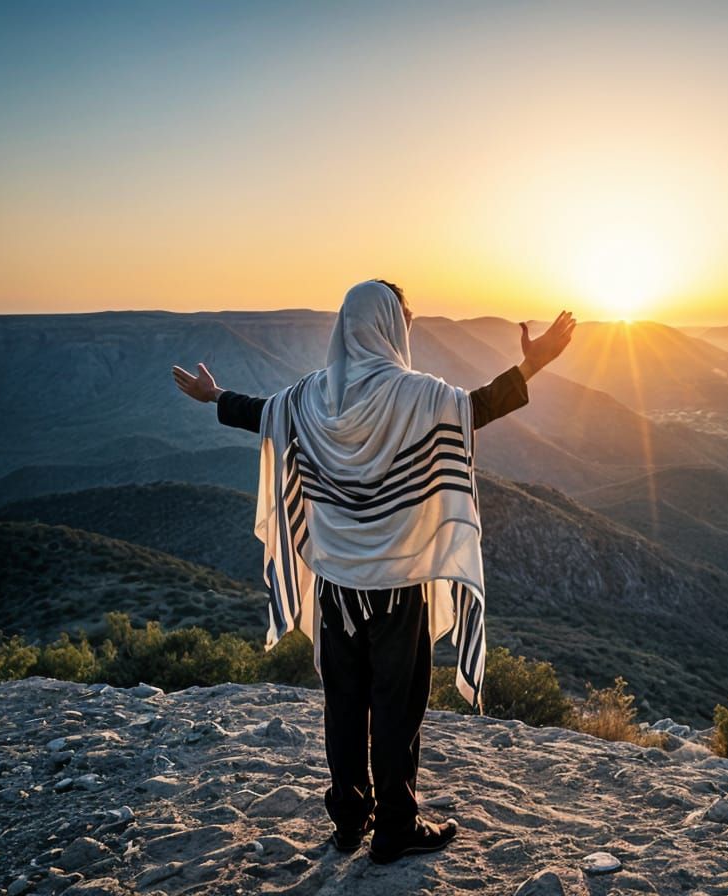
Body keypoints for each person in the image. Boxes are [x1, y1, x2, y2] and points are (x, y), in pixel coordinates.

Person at [172, 279, 575, 863]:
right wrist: (531, 365)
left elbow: (262, 414)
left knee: (343, 703)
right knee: (396, 707)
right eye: (405, 322)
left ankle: (348, 821)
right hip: (396, 587)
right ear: (389, 326)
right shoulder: (418, 395)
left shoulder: (310, 397)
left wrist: (215, 397)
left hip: (337, 586)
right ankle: (395, 828)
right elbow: (476, 408)